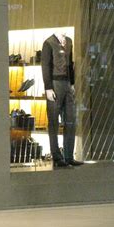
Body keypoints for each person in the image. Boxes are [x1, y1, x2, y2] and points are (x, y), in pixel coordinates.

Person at [42, 33, 83, 168]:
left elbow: (70, 64)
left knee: (71, 121)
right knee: (53, 122)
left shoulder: (69, 41)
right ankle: (57, 157)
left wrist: (72, 84)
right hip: (54, 84)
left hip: (67, 84)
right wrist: (48, 87)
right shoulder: (48, 43)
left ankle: (69, 156)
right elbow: (45, 66)